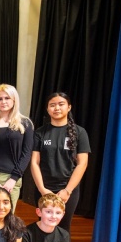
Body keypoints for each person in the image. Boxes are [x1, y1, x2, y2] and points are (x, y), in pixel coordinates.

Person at [30, 92, 90, 232]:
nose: (56, 108)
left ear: (69, 107)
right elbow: (34, 162)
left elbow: (82, 163)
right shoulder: (40, 132)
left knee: (63, 227)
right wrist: (42, 190)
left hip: (68, 189)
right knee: (44, 226)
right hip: (44, 188)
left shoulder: (80, 132)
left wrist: (67, 191)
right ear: (47, 109)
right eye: (52, 105)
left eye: (61, 104)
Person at [0, 84, 34, 211]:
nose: (3, 101)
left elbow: (26, 153)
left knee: (7, 216)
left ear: (14, 100)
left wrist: (13, 178)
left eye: (7, 98)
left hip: (12, 178)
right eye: (0, 99)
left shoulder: (25, 123)